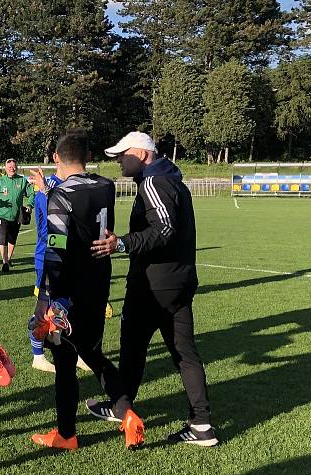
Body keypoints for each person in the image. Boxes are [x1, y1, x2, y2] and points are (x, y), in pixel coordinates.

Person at [88, 131, 218, 447]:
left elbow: (165, 228)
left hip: (155, 285)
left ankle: (123, 406)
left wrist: (122, 243)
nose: (118, 160)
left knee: (133, 347)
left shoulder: (153, 181)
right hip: (179, 281)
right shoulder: (170, 179)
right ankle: (202, 425)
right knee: (184, 353)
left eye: (123, 154)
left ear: (143, 154)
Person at [28, 129, 125, 450]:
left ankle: (67, 434)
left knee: (65, 361)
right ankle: (127, 413)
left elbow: (55, 250)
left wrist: (45, 300)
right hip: (98, 282)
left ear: (56, 157)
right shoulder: (105, 186)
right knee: (92, 352)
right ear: (87, 157)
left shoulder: (61, 196)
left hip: (67, 291)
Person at [0, 158, 34, 272]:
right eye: (9, 167)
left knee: (12, 239)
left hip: (17, 216)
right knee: (3, 238)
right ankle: (5, 262)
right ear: (5, 169)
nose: (12, 169)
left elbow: (31, 193)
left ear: (16, 168)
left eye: (13, 167)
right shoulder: (0, 181)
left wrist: (30, 205)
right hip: (2, 214)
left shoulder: (22, 181)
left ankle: (9, 259)